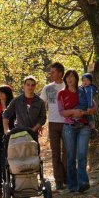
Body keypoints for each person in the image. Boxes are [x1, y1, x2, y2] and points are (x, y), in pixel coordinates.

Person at [57, 69, 96, 193]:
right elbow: (62, 112)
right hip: (69, 128)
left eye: (72, 76)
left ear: (76, 78)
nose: (70, 78)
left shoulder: (83, 90)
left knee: (82, 155)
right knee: (70, 158)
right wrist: (73, 112)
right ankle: (72, 185)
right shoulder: (61, 94)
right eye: (67, 76)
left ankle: (83, 182)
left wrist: (85, 112)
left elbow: (93, 106)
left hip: (84, 126)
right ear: (65, 79)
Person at [40, 62, 66, 190]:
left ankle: (67, 178)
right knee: (55, 153)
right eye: (50, 72)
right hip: (53, 123)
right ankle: (59, 180)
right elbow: (41, 106)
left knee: (67, 152)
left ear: (60, 73)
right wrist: (40, 123)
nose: (51, 74)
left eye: (53, 72)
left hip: (67, 123)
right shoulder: (47, 88)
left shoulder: (68, 85)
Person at [74, 73, 99, 138]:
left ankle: (93, 129)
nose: (85, 82)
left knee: (89, 115)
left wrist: (89, 107)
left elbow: (90, 98)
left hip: (86, 105)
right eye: (84, 80)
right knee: (87, 116)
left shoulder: (89, 89)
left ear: (90, 82)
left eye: (87, 80)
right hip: (82, 104)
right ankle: (81, 123)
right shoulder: (82, 88)